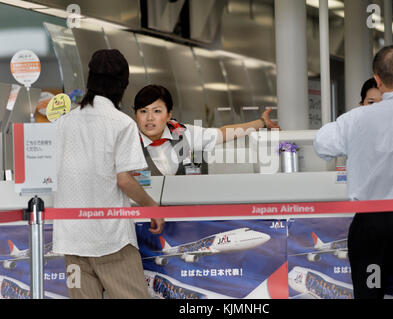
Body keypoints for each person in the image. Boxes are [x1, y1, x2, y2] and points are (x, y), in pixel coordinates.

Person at [314, 45, 393, 299]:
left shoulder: (356, 119)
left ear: (377, 79)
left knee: (370, 294)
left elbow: (322, 145)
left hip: (370, 224)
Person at [52, 49, 163, 299]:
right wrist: (151, 207)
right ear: (122, 84)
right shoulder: (121, 123)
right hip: (111, 241)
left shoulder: (63, 123)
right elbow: (124, 179)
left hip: (72, 241)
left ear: (90, 80)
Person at [133, 84, 280, 177]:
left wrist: (261, 123)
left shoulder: (183, 134)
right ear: (136, 115)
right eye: (143, 111)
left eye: (157, 111)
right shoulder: (128, 142)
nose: (150, 118)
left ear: (169, 115)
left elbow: (223, 133)